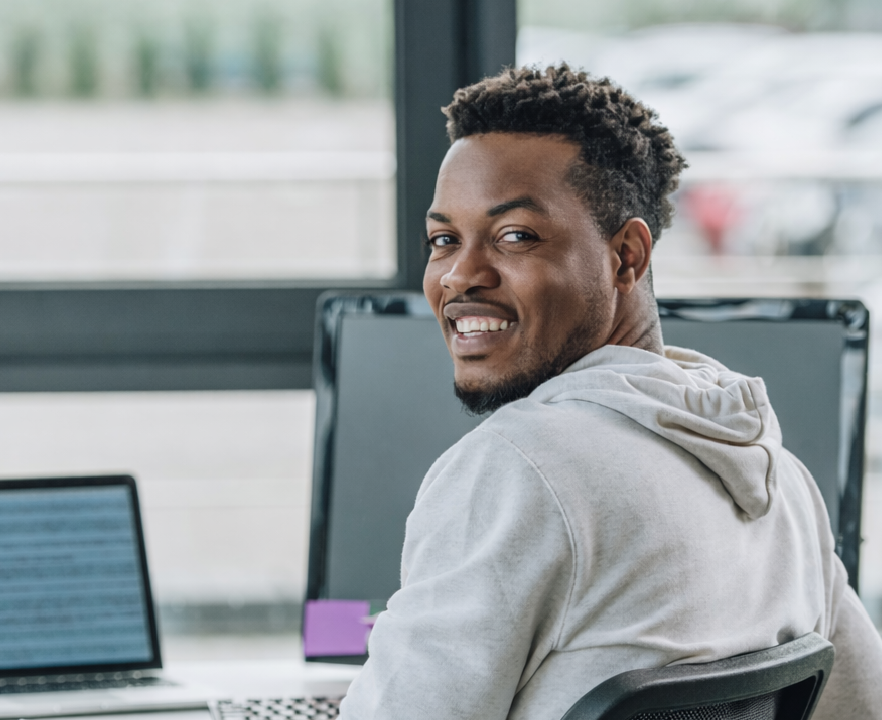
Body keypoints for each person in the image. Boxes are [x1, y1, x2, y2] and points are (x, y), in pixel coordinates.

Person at [337, 64, 882, 719]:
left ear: (626, 256)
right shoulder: (786, 485)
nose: (459, 274)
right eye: (443, 240)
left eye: (515, 236)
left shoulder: (517, 468)